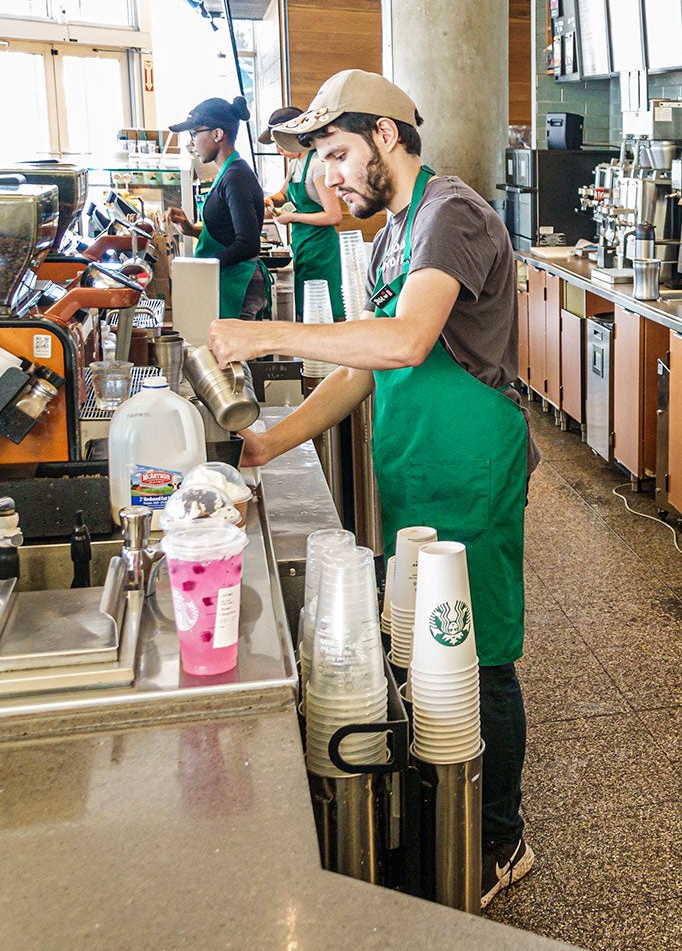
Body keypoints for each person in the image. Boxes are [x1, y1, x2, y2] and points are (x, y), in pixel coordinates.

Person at [205, 69, 537, 908]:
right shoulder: (392, 230)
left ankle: (500, 839)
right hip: (418, 468)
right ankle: (444, 814)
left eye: (342, 154)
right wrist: (269, 442)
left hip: (469, 467)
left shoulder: (449, 215)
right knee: (432, 652)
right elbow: (364, 365)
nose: (333, 177)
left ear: (387, 136)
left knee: (482, 658)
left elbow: (406, 338)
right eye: (324, 162)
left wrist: (263, 331)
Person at [164, 97, 269, 320]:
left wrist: (201, 268)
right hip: (230, 279)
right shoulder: (228, 173)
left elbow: (248, 244)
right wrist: (190, 228)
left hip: (238, 284)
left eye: (194, 134)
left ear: (217, 134)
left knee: (234, 354)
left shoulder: (235, 177)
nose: (192, 143)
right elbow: (227, 232)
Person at [261, 106, 348, 320]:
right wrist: (270, 200)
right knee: (307, 311)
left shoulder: (317, 165)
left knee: (325, 312)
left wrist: (292, 217)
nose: (279, 150)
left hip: (321, 250)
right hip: (303, 247)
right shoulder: (294, 164)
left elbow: (334, 216)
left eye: (281, 143)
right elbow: (283, 194)